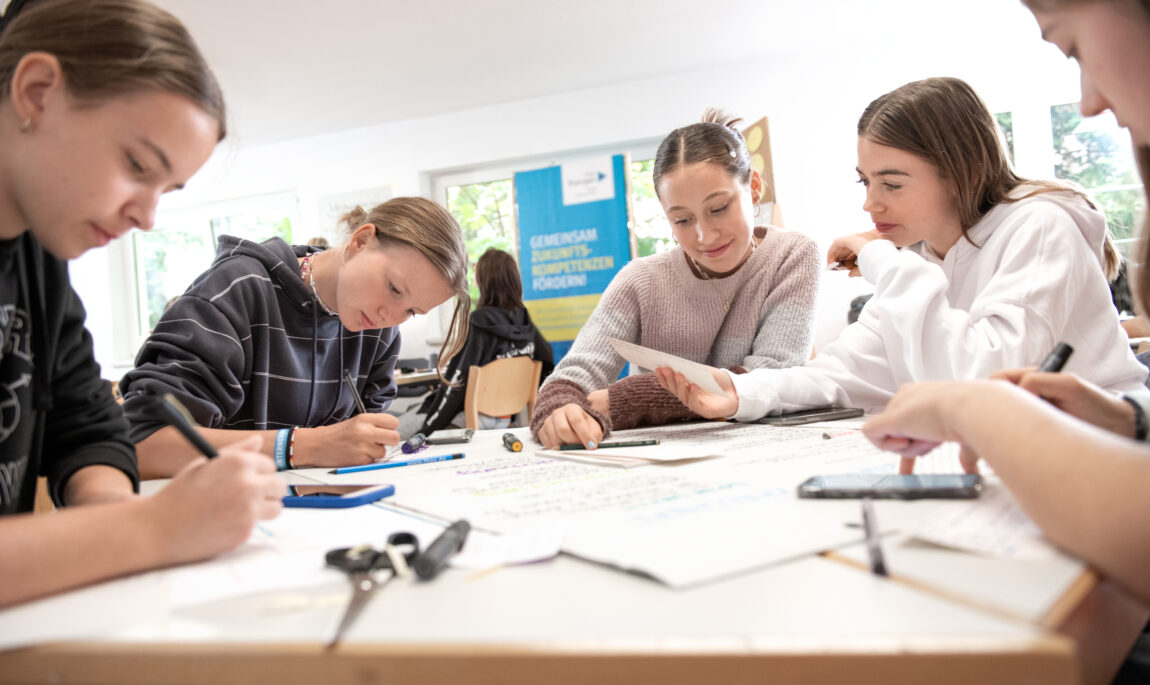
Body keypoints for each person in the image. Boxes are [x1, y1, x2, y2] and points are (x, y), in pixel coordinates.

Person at [859, 0, 1150, 609]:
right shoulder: (938, 256)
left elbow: (979, 371)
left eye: (1071, 49)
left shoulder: (1034, 225)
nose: (1090, 102)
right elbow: (855, 364)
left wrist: (977, 408)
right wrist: (1130, 419)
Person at [0, 0, 285, 607]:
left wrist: (107, 522)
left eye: (166, 189)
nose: (148, 217)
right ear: (37, 91)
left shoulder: (38, 258)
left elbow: (85, 425)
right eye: (136, 166)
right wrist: (148, 530)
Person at [657, 77, 1148, 423]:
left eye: (891, 183)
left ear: (959, 172)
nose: (870, 202)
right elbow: (847, 372)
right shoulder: (922, 255)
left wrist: (876, 256)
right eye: (866, 181)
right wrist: (738, 392)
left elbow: (983, 379)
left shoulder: (1039, 226)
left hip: (1108, 453)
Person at [119, 197, 470, 478]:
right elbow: (142, 443)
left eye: (411, 312)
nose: (389, 317)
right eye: (394, 288)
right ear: (361, 241)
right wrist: (301, 446)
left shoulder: (378, 334)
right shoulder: (237, 292)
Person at [531, 109, 821, 449]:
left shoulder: (792, 254)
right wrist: (559, 409)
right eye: (682, 220)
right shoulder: (640, 280)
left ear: (754, 187)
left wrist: (626, 400)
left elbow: (769, 379)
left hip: (765, 454)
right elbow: (570, 379)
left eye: (718, 208)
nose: (705, 235)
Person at [398, 247, 554, 439]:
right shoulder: (524, 322)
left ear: (485, 281)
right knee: (412, 411)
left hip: (464, 419)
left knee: (391, 432)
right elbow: (548, 363)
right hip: (504, 420)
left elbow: (454, 384)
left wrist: (426, 431)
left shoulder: (479, 323)